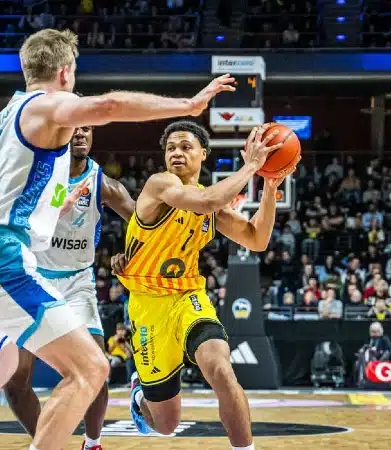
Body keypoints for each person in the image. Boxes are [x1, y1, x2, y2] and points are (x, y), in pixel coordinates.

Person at [0, 28, 236, 450]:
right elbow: (108, 105)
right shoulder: (49, 103)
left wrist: (54, 197)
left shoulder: (5, 118)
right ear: (66, 71)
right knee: (91, 368)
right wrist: (189, 104)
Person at [0, 116, 136, 450]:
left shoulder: (103, 184)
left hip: (77, 282)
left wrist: (131, 256)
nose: (80, 132)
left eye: (87, 128)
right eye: (75, 126)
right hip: (30, 275)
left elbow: (142, 222)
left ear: (92, 137)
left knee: (96, 370)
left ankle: (92, 444)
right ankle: (47, 443)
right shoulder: (37, 166)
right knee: (16, 381)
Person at [110, 121, 298, 450]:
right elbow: (208, 201)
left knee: (221, 369)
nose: (177, 153)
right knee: (166, 426)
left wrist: (269, 185)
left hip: (188, 297)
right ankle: (140, 392)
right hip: (148, 306)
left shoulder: (211, 203)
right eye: (171, 148)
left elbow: (257, 239)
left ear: (203, 154)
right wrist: (252, 165)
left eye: (185, 147)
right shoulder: (161, 183)